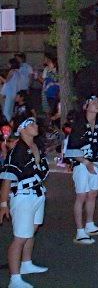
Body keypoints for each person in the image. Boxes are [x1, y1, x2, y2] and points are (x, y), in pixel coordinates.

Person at [0, 118, 49, 288]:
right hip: (23, 196)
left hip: (37, 194)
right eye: (31, 124)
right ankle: (14, 279)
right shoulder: (18, 151)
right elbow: (7, 178)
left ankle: (26, 263)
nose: (36, 126)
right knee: (20, 237)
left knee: (32, 230)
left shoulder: (36, 146)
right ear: (22, 129)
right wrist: (3, 204)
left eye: (36, 123)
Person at [64, 95, 98, 245]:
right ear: (86, 107)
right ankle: (80, 231)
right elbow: (71, 149)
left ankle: (90, 224)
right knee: (81, 196)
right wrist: (86, 162)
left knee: (93, 194)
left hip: (96, 163)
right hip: (82, 165)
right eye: (93, 103)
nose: (97, 105)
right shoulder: (79, 124)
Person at [1, 60, 21, 124]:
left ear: (12, 64)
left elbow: (6, 82)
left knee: (6, 111)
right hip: (13, 93)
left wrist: (0, 77)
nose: (7, 65)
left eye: (8, 63)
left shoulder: (12, 71)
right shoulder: (17, 72)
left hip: (9, 93)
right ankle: (9, 124)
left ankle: (6, 125)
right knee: (10, 110)